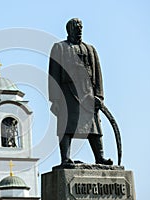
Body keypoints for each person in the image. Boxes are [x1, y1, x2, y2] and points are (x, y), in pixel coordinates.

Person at [48, 18, 113, 165]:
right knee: (66, 125)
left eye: (81, 28)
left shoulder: (90, 49)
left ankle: (100, 157)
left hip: (88, 93)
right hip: (67, 93)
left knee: (94, 126)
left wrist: (99, 96)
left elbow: (97, 74)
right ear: (69, 30)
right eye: (76, 28)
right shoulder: (60, 48)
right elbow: (53, 75)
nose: (79, 30)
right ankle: (65, 158)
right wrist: (55, 100)